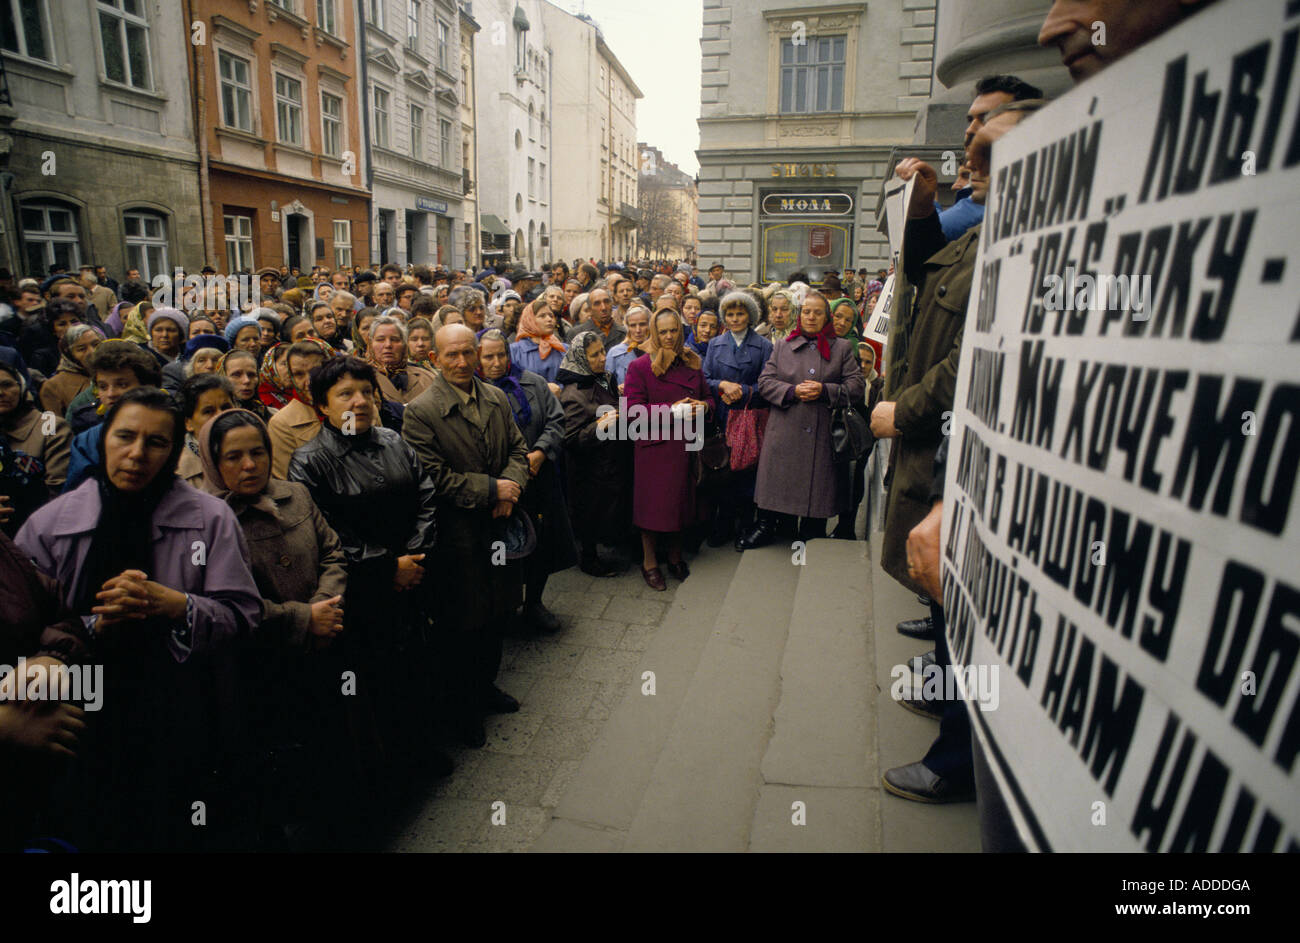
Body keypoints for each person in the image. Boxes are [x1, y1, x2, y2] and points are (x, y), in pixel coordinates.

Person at [16, 386, 261, 851]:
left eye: (156, 443)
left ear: (173, 451)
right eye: (124, 437)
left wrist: (176, 605)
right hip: (80, 720)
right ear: (102, 439)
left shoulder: (210, 519)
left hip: (184, 712)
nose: (136, 454)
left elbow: (244, 616)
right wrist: (93, 627)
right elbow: (22, 639)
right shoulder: (49, 525)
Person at [288, 357, 448, 791]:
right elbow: (325, 534)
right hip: (362, 593)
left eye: (365, 391)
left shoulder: (394, 441)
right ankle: (387, 768)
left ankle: (423, 747)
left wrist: (414, 557)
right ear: (321, 405)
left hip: (415, 575)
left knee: (417, 663)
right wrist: (385, 567)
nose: (359, 402)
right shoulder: (309, 461)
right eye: (345, 394)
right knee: (372, 679)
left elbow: (427, 496)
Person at [195, 408, 352, 845]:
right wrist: (304, 620)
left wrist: (324, 606)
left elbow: (333, 553)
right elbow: (223, 602)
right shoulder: (205, 521)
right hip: (260, 664)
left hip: (326, 641)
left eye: (258, 452)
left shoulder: (296, 494)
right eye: (233, 456)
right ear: (211, 460)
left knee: (328, 740)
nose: (249, 465)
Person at [401, 325, 528, 748]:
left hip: (498, 527)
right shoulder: (420, 412)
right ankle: (462, 707)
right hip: (456, 537)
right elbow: (431, 477)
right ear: (435, 358)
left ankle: (485, 687)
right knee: (462, 622)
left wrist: (509, 488)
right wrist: (491, 489)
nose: (460, 362)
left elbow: (517, 449)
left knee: (496, 612)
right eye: (451, 355)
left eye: (467, 353)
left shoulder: (494, 397)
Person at [738, 291, 864, 548]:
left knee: (815, 494)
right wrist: (792, 391)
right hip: (785, 429)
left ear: (826, 317)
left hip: (821, 434)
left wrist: (825, 390)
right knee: (779, 483)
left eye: (818, 312)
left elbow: (856, 386)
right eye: (806, 311)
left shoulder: (841, 348)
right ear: (800, 314)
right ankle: (768, 527)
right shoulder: (783, 346)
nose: (811, 317)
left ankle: (811, 534)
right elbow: (765, 382)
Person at [478, 330, 575, 633]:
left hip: (538, 478)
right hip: (501, 485)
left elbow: (555, 421)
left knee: (541, 546)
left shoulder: (532, 382)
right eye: (488, 356)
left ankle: (534, 602)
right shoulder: (474, 389)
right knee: (504, 549)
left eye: (501, 355)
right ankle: (505, 606)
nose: (496, 363)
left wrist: (541, 451)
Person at [623, 311, 711, 591]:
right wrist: (672, 411)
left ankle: (675, 557)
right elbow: (632, 410)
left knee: (680, 506)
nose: (670, 337)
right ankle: (649, 563)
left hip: (685, 445)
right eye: (663, 332)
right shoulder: (640, 366)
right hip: (654, 448)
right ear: (654, 333)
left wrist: (705, 407)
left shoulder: (692, 362)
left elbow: (708, 396)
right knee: (652, 510)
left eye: (674, 330)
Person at [702, 291, 773, 548]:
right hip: (721, 416)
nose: (735, 319)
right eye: (730, 314)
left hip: (748, 417)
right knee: (722, 470)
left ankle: (746, 524)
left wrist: (742, 391)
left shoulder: (764, 346)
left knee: (746, 470)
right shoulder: (715, 344)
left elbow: (767, 384)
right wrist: (722, 385)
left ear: (750, 316)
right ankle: (724, 524)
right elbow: (705, 379)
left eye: (740, 313)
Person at [556, 332, 629, 577]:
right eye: (594, 354)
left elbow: (615, 405)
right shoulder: (573, 394)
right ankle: (588, 559)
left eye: (602, 352)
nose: (601, 358)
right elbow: (569, 438)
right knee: (589, 512)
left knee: (608, 507)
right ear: (581, 357)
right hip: (587, 468)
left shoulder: (605, 378)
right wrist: (599, 425)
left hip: (610, 459)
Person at [0, 360, 71, 536]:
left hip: (36, 530)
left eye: (7, 385)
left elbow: (57, 491)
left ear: (22, 387)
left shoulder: (50, 425)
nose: (1, 393)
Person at [267, 339, 331, 479]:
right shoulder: (282, 424)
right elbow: (289, 483)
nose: (309, 382)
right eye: (299, 375)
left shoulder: (350, 409)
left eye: (315, 371)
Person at [175, 373, 235, 487]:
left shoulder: (252, 451)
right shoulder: (180, 474)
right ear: (188, 423)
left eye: (226, 407)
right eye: (208, 411)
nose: (220, 416)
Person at [38, 324, 101, 417]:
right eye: (82, 349)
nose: (92, 352)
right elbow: (56, 427)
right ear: (69, 354)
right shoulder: (54, 386)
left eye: (96, 344)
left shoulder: (116, 371)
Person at [509, 301, 568, 384]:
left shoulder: (564, 349)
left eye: (551, 315)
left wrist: (560, 389)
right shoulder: (514, 350)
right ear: (529, 320)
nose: (549, 319)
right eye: (542, 316)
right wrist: (544, 389)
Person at [219, 348, 272, 421]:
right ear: (222, 377)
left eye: (251, 375)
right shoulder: (216, 416)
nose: (246, 381)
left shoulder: (272, 416)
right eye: (237, 375)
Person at [605, 306, 650, 391]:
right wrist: (616, 389)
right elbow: (604, 386)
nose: (638, 330)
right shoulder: (615, 353)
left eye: (642, 324)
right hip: (623, 402)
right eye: (633, 325)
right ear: (627, 327)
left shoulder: (656, 351)